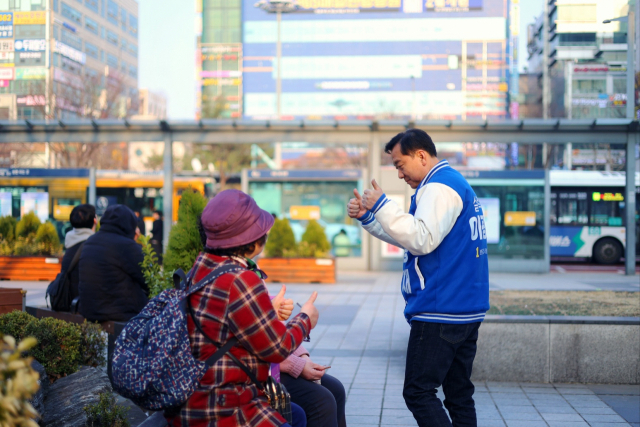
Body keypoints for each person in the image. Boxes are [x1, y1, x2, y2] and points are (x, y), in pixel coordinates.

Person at [348, 129, 489, 427]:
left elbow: (421, 238)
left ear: (422, 156)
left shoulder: (438, 188)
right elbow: (415, 238)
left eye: (400, 165)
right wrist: (369, 217)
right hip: (464, 309)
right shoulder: (454, 183)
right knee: (459, 394)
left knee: (418, 391)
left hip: (440, 310)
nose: (399, 174)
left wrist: (383, 205)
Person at [166, 189, 319, 427]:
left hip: (193, 399)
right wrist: (306, 318)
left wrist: (268, 311)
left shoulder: (201, 268)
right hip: (225, 408)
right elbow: (277, 348)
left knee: (297, 415)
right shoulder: (241, 279)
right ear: (250, 240)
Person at [78, 204, 149, 322]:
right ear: (129, 224)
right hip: (121, 314)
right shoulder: (126, 245)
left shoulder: (90, 241)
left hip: (90, 311)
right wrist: (136, 243)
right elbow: (149, 279)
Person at [278, 343, 346, 427]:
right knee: (322, 400)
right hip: (265, 371)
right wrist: (297, 365)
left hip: (280, 360)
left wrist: (303, 357)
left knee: (335, 388)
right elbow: (263, 349)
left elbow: (285, 337)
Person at [59, 204, 96, 306]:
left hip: (68, 299)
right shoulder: (93, 246)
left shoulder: (69, 243)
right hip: (83, 303)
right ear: (94, 221)